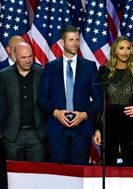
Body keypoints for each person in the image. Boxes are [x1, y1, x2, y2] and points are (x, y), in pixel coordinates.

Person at [37, 26, 103, 165]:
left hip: (82, 130)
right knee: (59, 175)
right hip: (57, 130)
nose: (75, 43)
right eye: (71, 40)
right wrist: (56, 113)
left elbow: (98, 98)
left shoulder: (89, 66)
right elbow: (42, 98)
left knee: (80, 175)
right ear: (62, 42)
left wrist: (84, 114)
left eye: (77, 39)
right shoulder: (50, 67)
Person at [93, 36, 133, 166]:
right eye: (121, 48)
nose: (125, 52)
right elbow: (100, 103)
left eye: (128, 48)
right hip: (109, 123)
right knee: (108, 164)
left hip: (129, 121)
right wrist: (97, 129)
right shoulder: (104, 72)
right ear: (115, 51)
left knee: (131, 165)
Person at [0, 42, 47, 162]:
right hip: (12, 136)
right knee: (13, 178)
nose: (28, 60)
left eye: (30, 56)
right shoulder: (4, 76)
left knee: (37, 176)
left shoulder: (41, 73)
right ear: (15, 57)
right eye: (24, 57)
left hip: (37, 135)